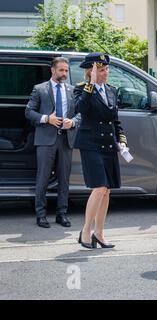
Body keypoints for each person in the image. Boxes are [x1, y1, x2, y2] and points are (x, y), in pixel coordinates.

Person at [74, 53, 128, 249]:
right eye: (102, 70)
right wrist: (91, 84)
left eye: (106, 69)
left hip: (108, 144)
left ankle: (99, 233)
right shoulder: (81, 90)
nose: (106, 73)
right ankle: (86, 231)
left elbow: (115, 120)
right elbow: (81, 108)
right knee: (99, 187)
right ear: (91, 71)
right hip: (90, 144)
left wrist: (121, 140)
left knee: (107, 191)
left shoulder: (112, 90)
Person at [25, 57, 80, 229]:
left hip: (66, 139)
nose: (64, 74)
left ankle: (61, 214)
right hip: (46, 140)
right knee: (43, 178)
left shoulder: (72, 90)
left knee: (64, 179)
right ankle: (41, 215)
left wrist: (73, 122)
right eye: (61, 70)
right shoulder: (40, 89)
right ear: (53, 70)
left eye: (66, 70)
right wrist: (47, 118)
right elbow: (29, 112)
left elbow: (81, 114)